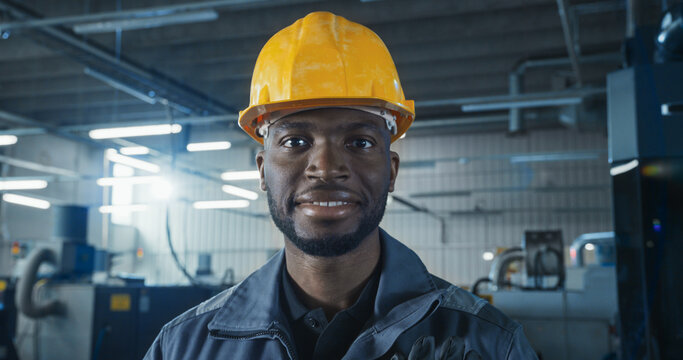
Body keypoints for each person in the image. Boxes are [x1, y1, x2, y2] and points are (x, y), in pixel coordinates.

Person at [144, 11, 538, 360]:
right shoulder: (182, 347)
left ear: (392, 170)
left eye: (360, 142)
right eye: (296, 142)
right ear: (263, 171)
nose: (327, 168)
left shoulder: (491, 345)